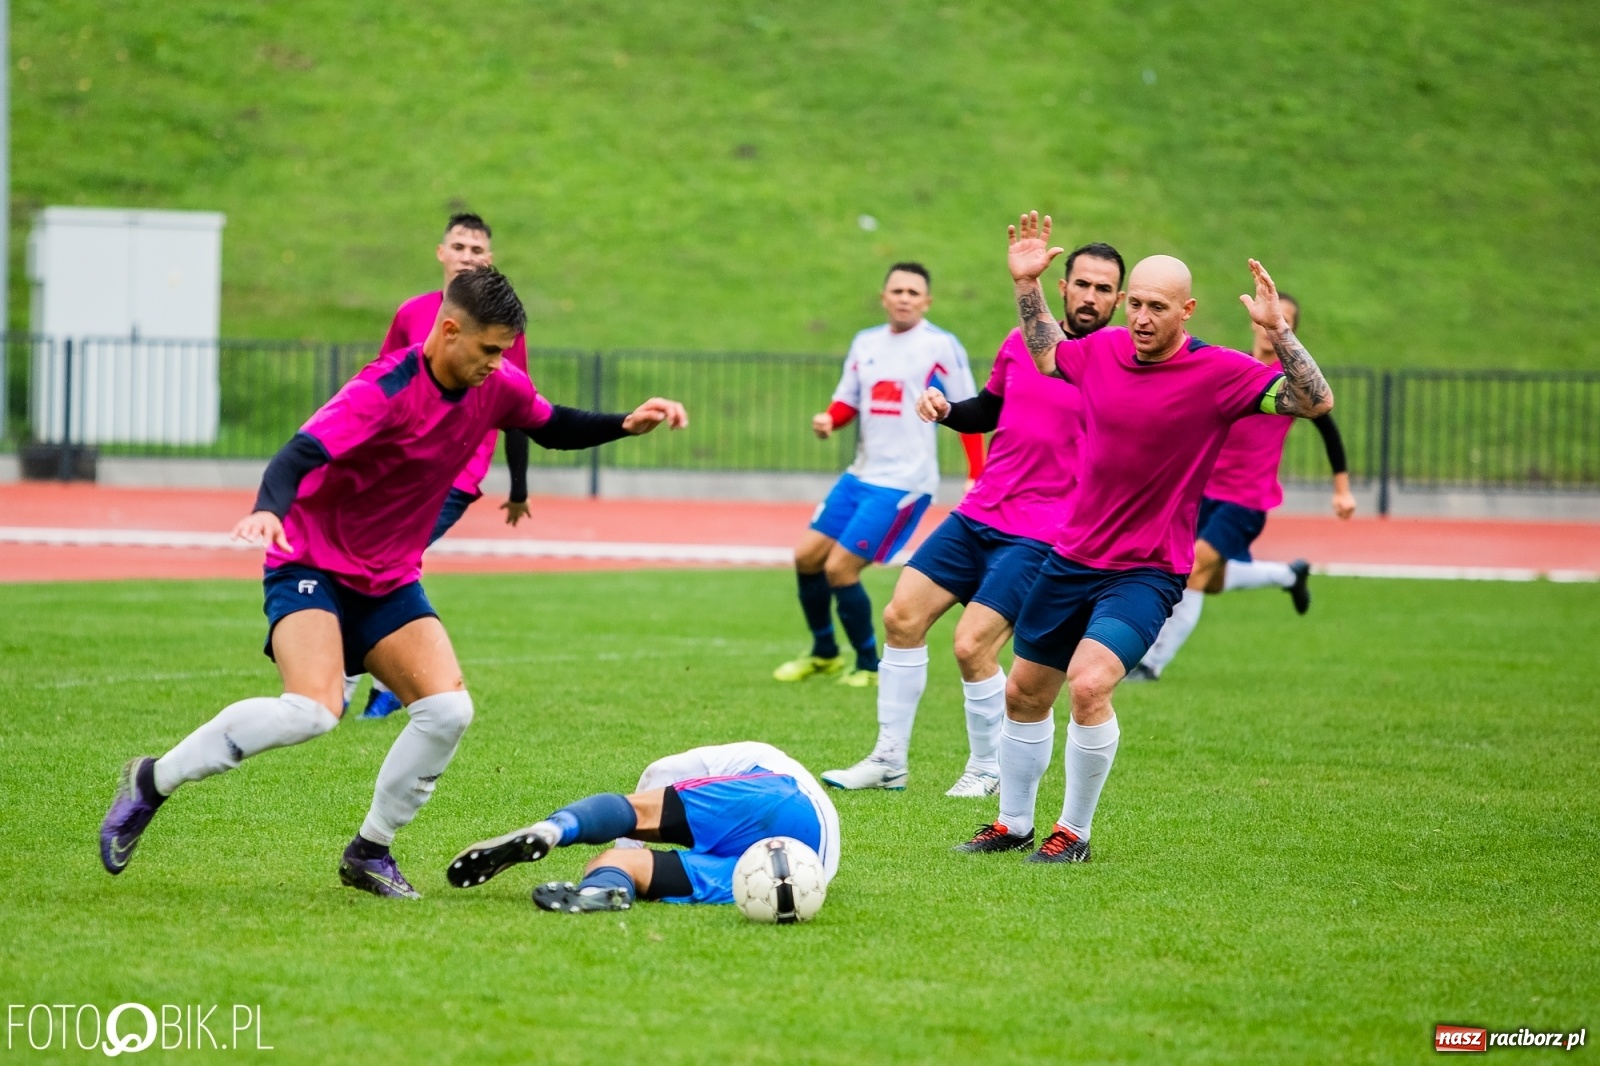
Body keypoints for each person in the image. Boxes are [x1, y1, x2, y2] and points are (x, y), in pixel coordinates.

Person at [98, 267, 688, 898]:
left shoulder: (498, 385)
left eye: (505, 351)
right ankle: (152, 782)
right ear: (450, 329)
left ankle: (369, 851)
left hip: (388, 579)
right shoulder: (382, 389)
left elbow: (551, 424)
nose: (498, 362)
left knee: (448, 711)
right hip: (312, 564)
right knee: (312, 710)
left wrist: (624, 423)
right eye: (489, 349)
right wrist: (270, 508)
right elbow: (298, 454)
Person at [955, 213, 1332, 863]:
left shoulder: (1220, 373)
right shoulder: (1099, 351)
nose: (1140, 317)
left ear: (1186, 310)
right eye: (1134, 303)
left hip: (1147, 571)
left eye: (1157, 307)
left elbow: (1312, 401)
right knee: (1023, 692)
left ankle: (1072, 832)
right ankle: (1013, 822)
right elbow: (1046, 350)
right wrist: (1026, 285)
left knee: (1090, 684)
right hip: (1070, 555)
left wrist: (1282, 335)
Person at [820, 243, 1124, 796]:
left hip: (1044, 529)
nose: (1091, 297)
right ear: (1063, 286)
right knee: (901, 618)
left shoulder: (1119, 361)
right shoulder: (1019, 343)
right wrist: (948, 411)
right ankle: (889, 760)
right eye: (1083, 284)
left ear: (1119, 299)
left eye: (1104, 289)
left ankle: (987, 768)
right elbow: (989, 408)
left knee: (971, 646)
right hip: (980, 512)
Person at [355, 212, 532, 719]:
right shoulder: (412, 313)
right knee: (378, 559)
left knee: (388, 558)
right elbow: (381, 383)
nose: (467, 257)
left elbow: (520, 407)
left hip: (456, 473)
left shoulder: (501, 326)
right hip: (401, 465)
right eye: (460, 247)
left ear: (489, 260)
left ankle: (381, 678)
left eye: (477, 251)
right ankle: (373, 674)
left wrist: (518, 487)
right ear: (441, 253)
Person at [772, 263, 981, 688]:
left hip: (905, 481)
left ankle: (869, 664)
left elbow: (969, 411)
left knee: (840, 568)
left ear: (927, 301)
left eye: (913, 292)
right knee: (806, 557)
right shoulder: (865, 342)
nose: (904, 297)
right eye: (897, 290)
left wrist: (977, 473)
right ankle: (825, 653)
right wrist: (830, 420)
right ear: (884, 297)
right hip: (860, 475)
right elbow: (848, 402)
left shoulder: (940, 346)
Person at [1130, 294, 1356, 681]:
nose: (1270, 326)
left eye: (1281, 321)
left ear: (1289, 331)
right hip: (1203, 493)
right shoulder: (1234, 369)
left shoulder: (1291, 383)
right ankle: (1288, 576)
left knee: (1195, 570)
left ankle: (1150, 664)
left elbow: (1327, 425)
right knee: (1208, 579)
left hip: (1247, 499)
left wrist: (1342, 489)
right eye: (1267, 318)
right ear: (1254, 321)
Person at [446, 742, 839, 913]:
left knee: (637, 816)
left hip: (782, 799)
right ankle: (602, 889)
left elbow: (659, 774)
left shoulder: (744, 758)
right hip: (804, 867)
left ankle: (555, 829)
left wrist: (633, 839)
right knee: (619, 863)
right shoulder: (751, 756)